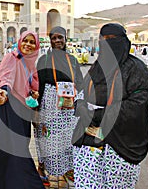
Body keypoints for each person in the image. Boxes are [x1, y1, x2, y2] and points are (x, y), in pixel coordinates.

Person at [72, 23, 148, 188]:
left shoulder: (136, 69)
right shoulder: (96, 68)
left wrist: (98, 116)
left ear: (124, 42)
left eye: (113, 40)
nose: (108, 44)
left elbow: (136, 108)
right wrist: (79, 106)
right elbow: (82, 93)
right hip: (89, 144)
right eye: (104, 40)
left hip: (118, 147)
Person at [0, 30, 44, 189]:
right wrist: (3, 92)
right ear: (20, 41)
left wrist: (33, 92)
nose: (28, 45)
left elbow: (30, 84)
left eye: (32, 42)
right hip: (9, 111)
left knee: (17, 148)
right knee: (14, 151)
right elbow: (6, 78)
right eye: (26, 41)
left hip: (22, 113)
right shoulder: (12, 57)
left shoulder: (30, 63)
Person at [34, 26, 83, 186]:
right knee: (46, 138)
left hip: (68, 108)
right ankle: (43, 168)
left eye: (60, 37)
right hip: (49, 105)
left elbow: (80, 83)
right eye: (54, 38)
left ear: (65, 38)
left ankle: (68, 169)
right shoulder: (44, 60)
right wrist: (36, 110)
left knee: (68, 139)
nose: (57, 41)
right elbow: (39, 85)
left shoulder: (72, 60)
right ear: (50, 40)